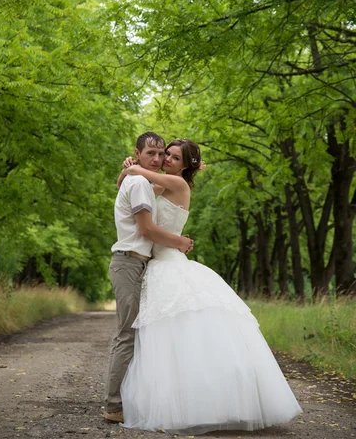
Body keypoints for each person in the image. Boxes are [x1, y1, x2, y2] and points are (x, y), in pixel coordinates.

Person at [118, 138, 302, 435]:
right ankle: (180, 400)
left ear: (185, 166)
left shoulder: (179, 186)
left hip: (170, 263)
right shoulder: (164, 184)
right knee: (168, 341)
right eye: (166, 155)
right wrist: (130, 168)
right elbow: (129, 190)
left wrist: (134, 165)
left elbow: (141, 175)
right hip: (159, 264)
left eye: (175, 158)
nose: (166, 160)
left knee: (184, 335)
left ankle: (205, 402)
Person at [103, 132, 194, 424]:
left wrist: (132, 167)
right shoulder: (143, 182)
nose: (160, 159)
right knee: (128, 336)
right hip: (132, 262)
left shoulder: (151, 182)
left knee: (150, 335)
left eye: (166, 155)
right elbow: (146, 229)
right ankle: (114, 405)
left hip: (146, 265)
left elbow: (130, 183)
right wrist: (180, 242)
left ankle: (144, 399)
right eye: (154, 154)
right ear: (138, 153)